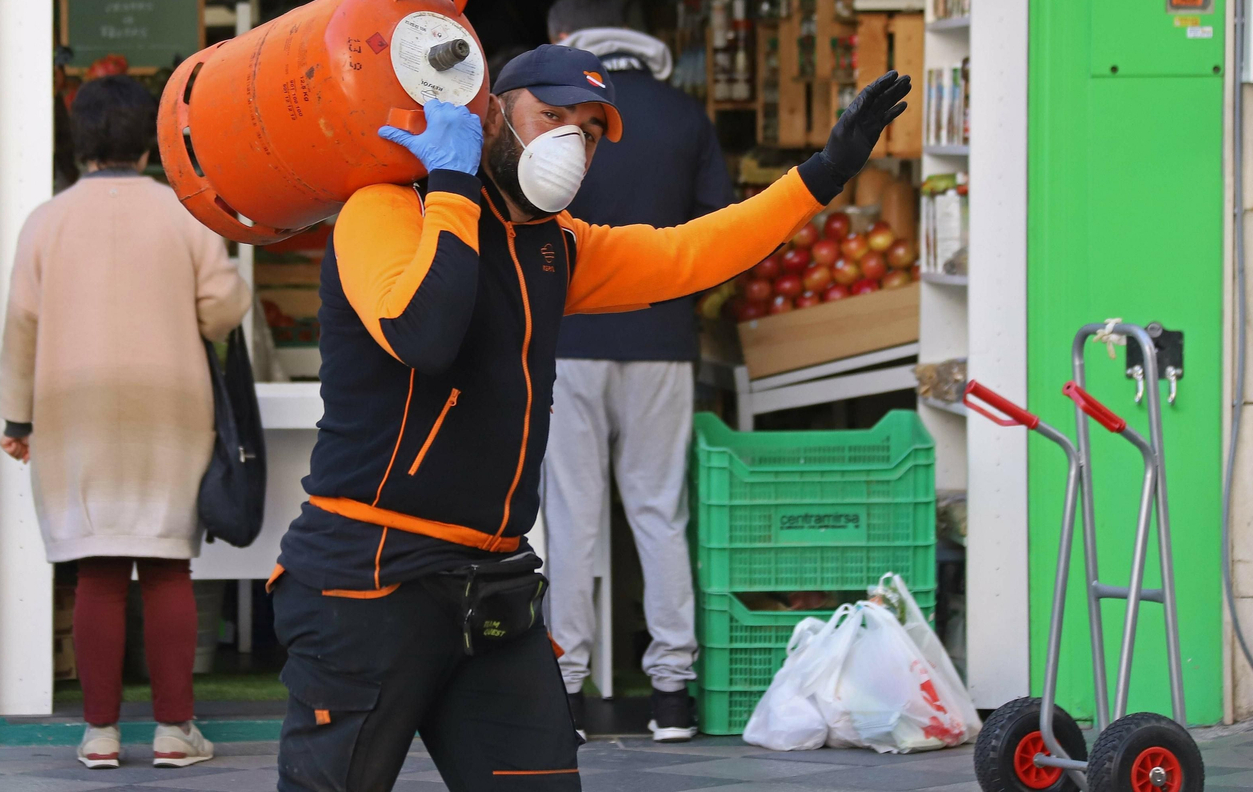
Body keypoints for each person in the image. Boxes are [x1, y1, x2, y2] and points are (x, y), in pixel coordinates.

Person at [268, 42, 910, 791]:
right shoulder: (384, 208)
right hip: (370, 580)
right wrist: (448, 178)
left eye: (591, 130)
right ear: (491, 112)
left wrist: (822, 175)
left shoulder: (554, 244)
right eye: (552, 116)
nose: (570, 141)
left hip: (492, 584)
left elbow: (689, 254)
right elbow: (425, 333)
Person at [0, 75, 252, 771]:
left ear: (79, 143)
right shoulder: (184, 215)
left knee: (97, 569)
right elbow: (222, 309)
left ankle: (100, 733)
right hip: (169, 410)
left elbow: (21, 327)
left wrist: (17, 416)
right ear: (151, 144)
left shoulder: (46, 221)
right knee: (168, 564)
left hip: (72, 414)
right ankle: (174, 730)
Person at [538, 0, 734, 743]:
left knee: (572, 518)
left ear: (563, 34)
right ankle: (673, 694)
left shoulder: (555, 118)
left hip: (569, 341)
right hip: (662, 340)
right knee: (659, 512)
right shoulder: (685, 114)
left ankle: (565, 692)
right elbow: (720, 233)